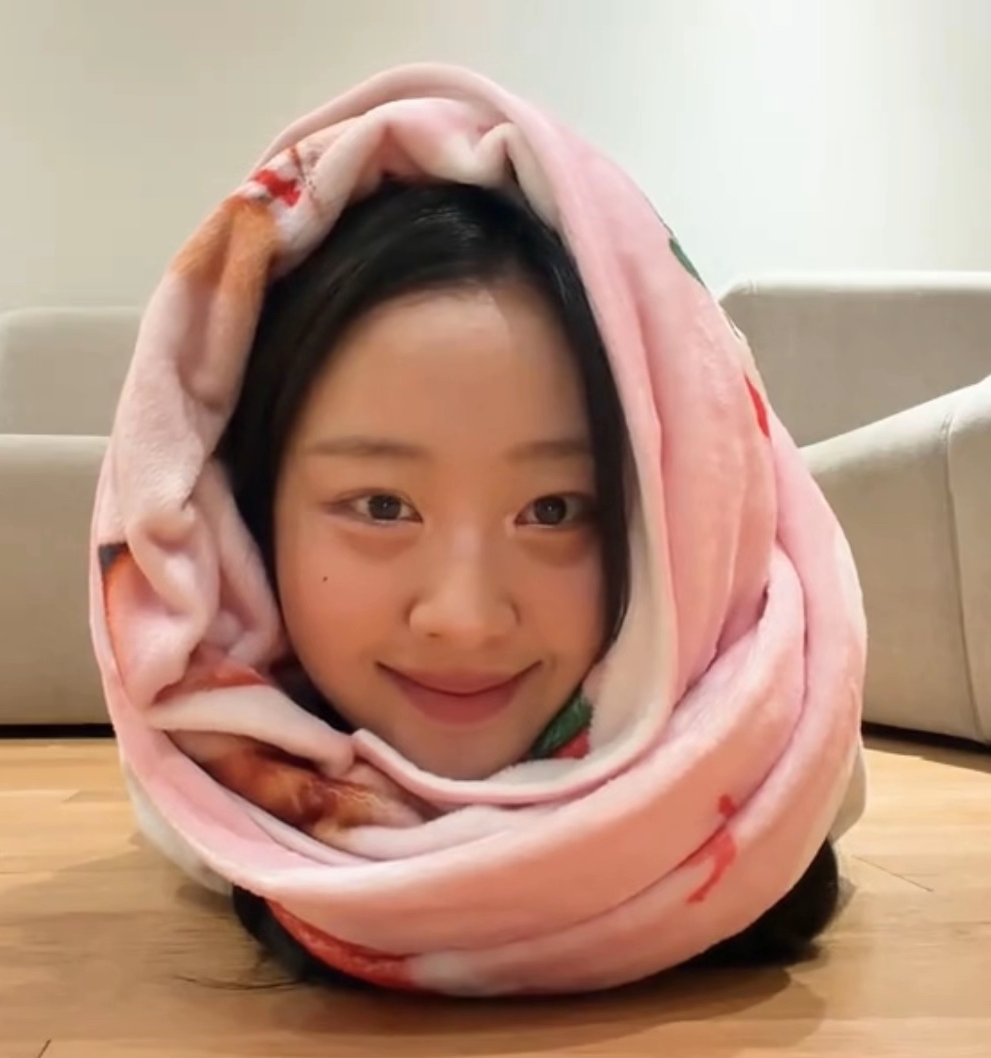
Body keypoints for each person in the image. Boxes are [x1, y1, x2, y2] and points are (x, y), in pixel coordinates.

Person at [213, 178, 841, 988]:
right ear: (251, 519)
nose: (465, 617)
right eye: (382, 506)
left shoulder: (785, 736)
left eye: (553, 510)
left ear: (675, 531)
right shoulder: (195, 748)